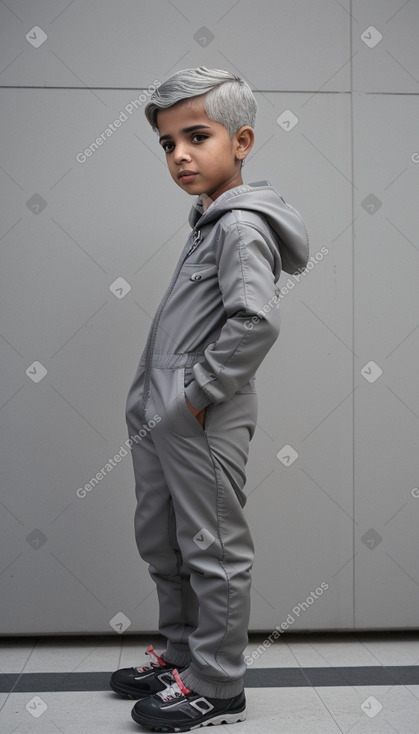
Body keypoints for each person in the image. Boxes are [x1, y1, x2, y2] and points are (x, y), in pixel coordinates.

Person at [110, 66, 309, 732]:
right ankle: (180, 656)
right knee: (162, 538)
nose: (180, 155)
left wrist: (194, 396)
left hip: (200, 414)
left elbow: (255, 320)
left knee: (212, 545)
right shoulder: (206, 222)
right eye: (168, 144)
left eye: (196, 136)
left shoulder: (238, 227)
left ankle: (218, 684)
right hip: (165, 411)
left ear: (242, 140)